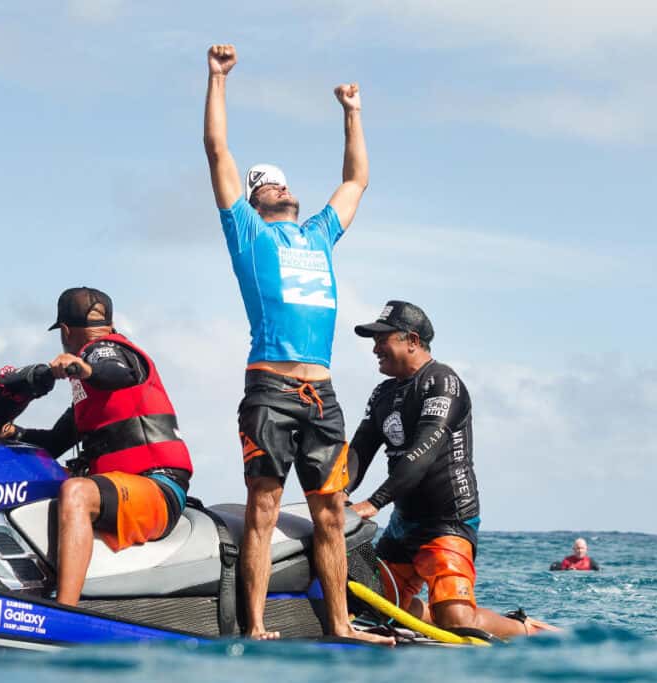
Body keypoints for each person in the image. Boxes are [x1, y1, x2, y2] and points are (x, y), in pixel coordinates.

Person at [203, 44, 390, 645]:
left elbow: (357, 179)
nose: (281, 187)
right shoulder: (248, 234)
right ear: (256, 201)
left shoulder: (319, 235)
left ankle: (340, 624)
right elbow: (218, 152)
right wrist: (217, 79)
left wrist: (352, 113)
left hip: (324, 397)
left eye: (284, 182)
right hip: (271, 391)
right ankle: (255, 627)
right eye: (269, 184)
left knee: (330, 515)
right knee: (262, 509)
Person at [347, 300, 557, 638]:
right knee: (359, 600)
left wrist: (373, 503)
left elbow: (422, 453)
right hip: (403, 526)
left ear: (412, 340)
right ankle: (418, 618)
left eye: (382, 339)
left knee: (457, 623)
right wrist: (336, 493)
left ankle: (528, 630)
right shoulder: (383, 393)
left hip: (448, 522)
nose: (375, 349)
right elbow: (360, 449)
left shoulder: (443, 382)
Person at [0, 287, 193, 607]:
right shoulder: (91, 398)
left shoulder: (104, 350)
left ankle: (65, 609)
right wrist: (10, 432)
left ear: (64, 331)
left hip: (158, 486)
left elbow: (112, 370)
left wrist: (82, 367)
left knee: (77, 492)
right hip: (126, 489)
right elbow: (53, 443)